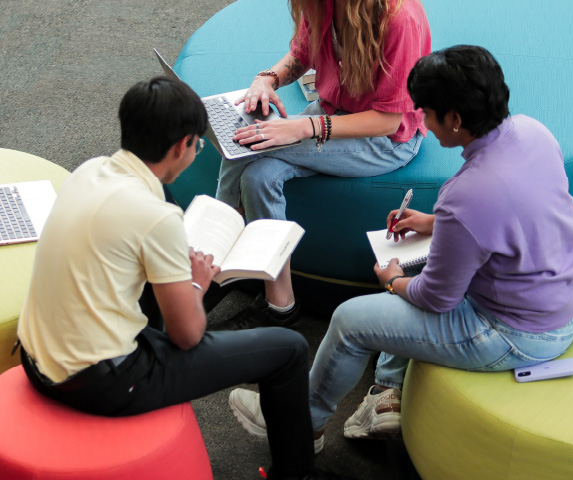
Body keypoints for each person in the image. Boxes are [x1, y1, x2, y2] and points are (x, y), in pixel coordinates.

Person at [228, 45, 573, 448]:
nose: (420, 121)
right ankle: (387, 394)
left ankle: (300, 422)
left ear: (454, 119)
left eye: (426, 111)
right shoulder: (532, 131)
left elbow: (436, 298)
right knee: (423, 251)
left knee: (351, 321)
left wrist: (393, 281)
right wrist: (437, 225)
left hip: (520, 333)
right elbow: (519, 212)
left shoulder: (466, 194)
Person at [15, 76, 349, 480]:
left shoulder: (91, 170)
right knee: (290, 349)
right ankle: (296, 474)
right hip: (97, 382)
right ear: (181, 147)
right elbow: (187, 337)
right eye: (198, 143)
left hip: (37, 356)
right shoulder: (158, 218)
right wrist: (198, 282)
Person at [213, 0, 431, 330]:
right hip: (330, 110)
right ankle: (282, 307)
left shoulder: (399, 17)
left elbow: (389, 120)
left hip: (383, 141)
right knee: (257, 173)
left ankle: (214, 248)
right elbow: (302, 53)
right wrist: (267, 80)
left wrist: (302, 127)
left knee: (246, 144)